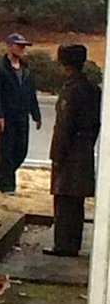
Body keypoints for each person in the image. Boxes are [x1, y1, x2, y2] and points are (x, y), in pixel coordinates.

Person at [46, 44, 101, 257]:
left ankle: (63, 244)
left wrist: (56, 155)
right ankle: (72, 242)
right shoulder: (91, 88)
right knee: (76, 201)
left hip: (70, 152)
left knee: (64, 198)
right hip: (84, 149)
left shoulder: (72, 89)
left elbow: (64, 126)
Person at [0, 32, 42, 194]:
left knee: (21, 150)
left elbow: (31, 93)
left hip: (22, 116)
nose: (22, 49)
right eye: (19, 46)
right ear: (10, 46)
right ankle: (8, 186)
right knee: (6, 150)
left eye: (23, 46)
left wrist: (36, 114)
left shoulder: (26, 69)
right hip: (7, 116)